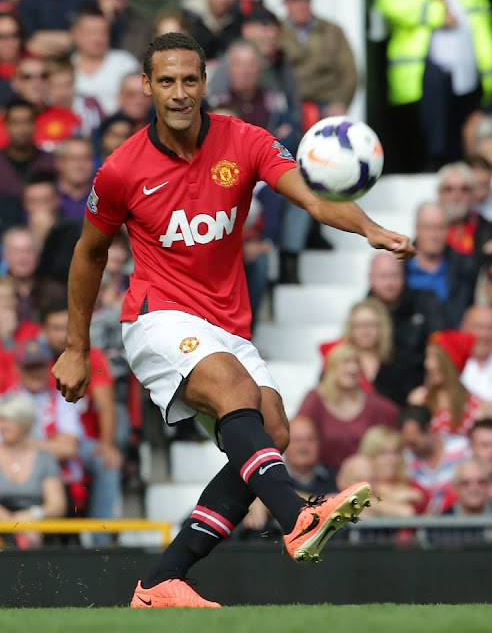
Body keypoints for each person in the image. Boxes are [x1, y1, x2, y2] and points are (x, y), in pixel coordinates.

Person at [51, 32, 414, 608]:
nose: (179, 92)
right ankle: (298, 515)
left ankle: (161, 581)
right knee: (237, 391)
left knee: (271, 430)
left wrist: (370, 228)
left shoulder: (244, 141)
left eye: (190, 80)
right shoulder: (121, 170)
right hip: (155, 316)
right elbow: (88, 253)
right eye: (166, 81)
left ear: (205, 83)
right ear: (147, 85)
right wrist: (75, 346)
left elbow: (315, 198)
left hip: (225, 322)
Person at [374, 0, 492, 170]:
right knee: (427, 149)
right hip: (419, 82)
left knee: (461, 148)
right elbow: (386, 4)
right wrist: (436, 14)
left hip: (469, 83)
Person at [42, 299, 122, 544]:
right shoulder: (32, 358)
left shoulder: (91, 357)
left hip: (82, 442)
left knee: (107, 462)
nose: (60, 334)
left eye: (64, 327)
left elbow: (106, 404)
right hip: (39, 440)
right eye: (54, 328)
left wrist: (107, 443)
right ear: (44, 331)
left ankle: (100, 543)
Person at [295, 342, 398, 473]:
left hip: (363, 479)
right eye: (345, 362)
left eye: (356, 363)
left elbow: (394, 419)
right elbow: (297, 432)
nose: (352, 369)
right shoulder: (315, 398)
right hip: (322, 477)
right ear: (332, 367)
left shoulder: (373, 402)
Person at [368, 252, 446, 394]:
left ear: (404, 277)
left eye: (395, 276)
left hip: (420, 391)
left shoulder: (425, 302)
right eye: (383, 276)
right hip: (377, 394)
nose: (390, 283)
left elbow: (440, 347)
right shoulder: (363, 314)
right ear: (370, 279)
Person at [280, 0, 357, 128]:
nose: (301, 5)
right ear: (285, 2)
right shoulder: (277, 32)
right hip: (289, 107)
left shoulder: (332, 31)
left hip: (326, 105)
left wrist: (340, 103)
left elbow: (349, 72)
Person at [0, 392, 66, 548]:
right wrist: (8, 520)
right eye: (1, 420)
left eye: (9, 420)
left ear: (24, 424)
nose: (3, 426)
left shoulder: (44, 459)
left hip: (35, 532)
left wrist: (32, 516)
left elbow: (57, 505)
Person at [405, 202, 480, 328]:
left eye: (440, 228)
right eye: (428, 227)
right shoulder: (397, 271)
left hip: (454, 341)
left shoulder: (467, 267)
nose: (434, 235)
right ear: (416, 229)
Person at [408, 329, 489, 436]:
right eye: (428, 357)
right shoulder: (419, 398)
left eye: (436, 359)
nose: (428, 364)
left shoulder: (478, 409)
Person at [71, 5, 139, 116]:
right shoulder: (65, 66)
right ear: (75, 33)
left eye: (102, 32)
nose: (96, 39)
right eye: (90, 32)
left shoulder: (125, 64)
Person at [399, 404, 469, 513]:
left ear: (429, 429)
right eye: (407, 443)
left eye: (413, 443)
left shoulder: (461, 448)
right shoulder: (407, 458)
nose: (410, 448)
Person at [358, 425, 428, 517]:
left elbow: (409, 511)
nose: (392, 459)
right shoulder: (359, 485)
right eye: (383, 453)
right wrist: (395, 497)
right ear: (369, 457)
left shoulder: (413, 486)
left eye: (395, 452)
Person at [0, 99, 55, 198]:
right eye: (15, 122)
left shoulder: (51, 163)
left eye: (27, 121)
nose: (22, 129)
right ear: (6, 125)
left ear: (35, 125)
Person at [437, 162, 477, 255]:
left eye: (464, 189)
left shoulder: (488, 231)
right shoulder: (428, 229)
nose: (457, 196)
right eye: (449, 189)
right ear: (439, 194)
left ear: (472, 194)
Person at [1, 227, 39, 323]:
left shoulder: (53, 292)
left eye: (28, 251)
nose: (23, 258)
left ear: (37, 255)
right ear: (5, 256)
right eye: (16, 251)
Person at [55, 137, 94, 222]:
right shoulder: (48, 196)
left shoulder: (102, 197)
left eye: (85, 158)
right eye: (73, 159)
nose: (80, 165)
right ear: (60, 163)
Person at [461, 305, 492, 403]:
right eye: (479, 327)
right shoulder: (449, 363)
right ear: (464, 327)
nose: (484, 335)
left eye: (490, 328)